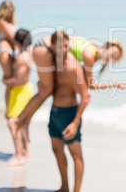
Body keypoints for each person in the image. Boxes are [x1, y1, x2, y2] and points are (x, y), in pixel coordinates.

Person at [10, 34, 126, 140]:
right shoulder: (90, 55)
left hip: (46, 46)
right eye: (112, 55)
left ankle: (25, 122)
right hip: (45, 48)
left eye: (114, 59)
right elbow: (91, 85)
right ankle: (17, 120)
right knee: (46, 90)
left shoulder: (93, 49)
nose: (110, 59)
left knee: (47, 89)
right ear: (106, 46)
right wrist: (115, 85)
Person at [48, 31, 91, 192]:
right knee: (57, 150)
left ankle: (76, 191)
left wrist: (75, 122)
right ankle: (64, 187)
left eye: (67, 45)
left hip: (70, 114)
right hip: (54, 112)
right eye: (61, 45)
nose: (65, 48)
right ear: (53, 46)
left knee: (75, 154)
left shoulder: (74, 68)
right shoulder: (52, 61)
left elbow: (86, 96)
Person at [2, 29, 33, 166]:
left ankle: (19, 156)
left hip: (21, 90)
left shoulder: (22, 58)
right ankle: (24, 151)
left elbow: (19, 80)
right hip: (22, 90)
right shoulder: (27, 53)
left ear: (18, 41)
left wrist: (5, 81)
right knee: (22, 123)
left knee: (13, 122)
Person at [0, 0, 18, 109]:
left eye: (12, 12)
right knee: (9, 82)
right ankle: (9, 111)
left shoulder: (9, 23)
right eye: (8, 11)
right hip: (5, 51)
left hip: (11, 52)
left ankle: (13, 107)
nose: (10, 14)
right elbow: (12, 38)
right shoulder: (1, 22)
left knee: (12, 81)